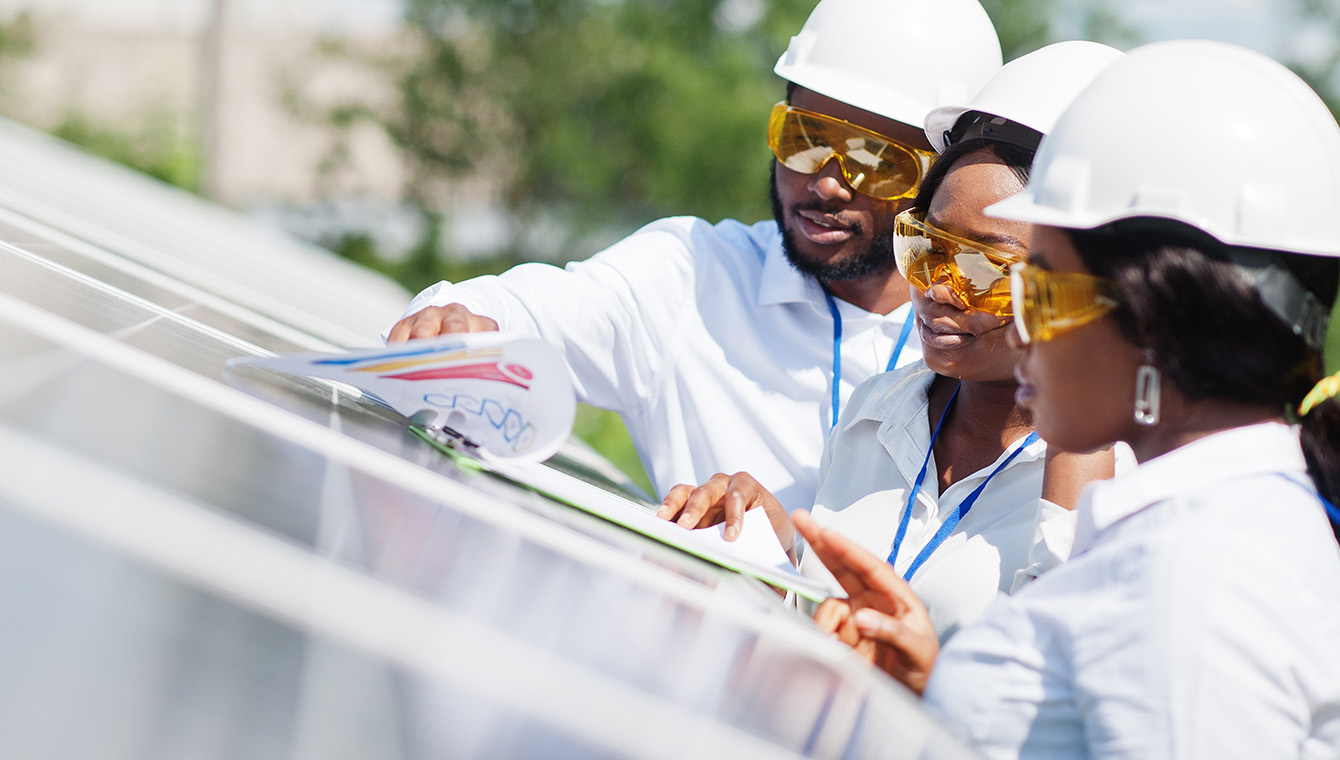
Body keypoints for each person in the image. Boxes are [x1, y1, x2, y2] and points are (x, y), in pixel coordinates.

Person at [796, 40, 1340, 758]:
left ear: (1155, 311)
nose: (1020, 328)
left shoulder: (1201, 568)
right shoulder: (1200, 525)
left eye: (1039, 289)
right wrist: (936, 696)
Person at [384, 0, 1002, 513]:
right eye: (806, 140)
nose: (826, 183)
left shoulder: (983, 339)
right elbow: (524, 310)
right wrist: (457, 319)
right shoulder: (694, 277)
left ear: (940, 177)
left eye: (877, 160)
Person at [659, 42, 1127, 642]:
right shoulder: (877, 413)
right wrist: (776, 565)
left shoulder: (1121, 482)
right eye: (928, 246)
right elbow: (826, 629)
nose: (938, 288)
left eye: (984, 269)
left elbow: (1055, 673)